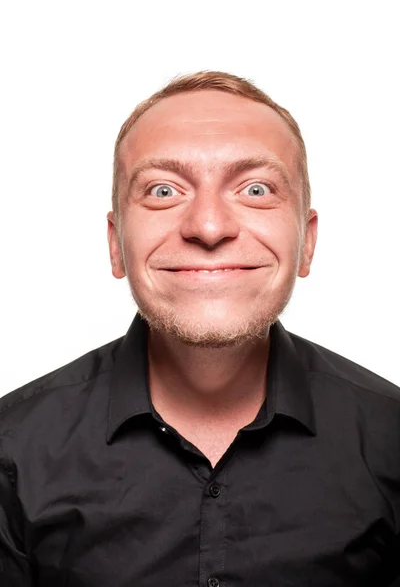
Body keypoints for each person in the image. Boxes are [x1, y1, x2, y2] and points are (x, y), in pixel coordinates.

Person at [1, 71, 399, 587]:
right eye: (163, 190)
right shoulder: (11, 451)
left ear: (307, 241)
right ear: (117, 243)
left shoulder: (392, 441)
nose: (208, 227)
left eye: (255, 188)